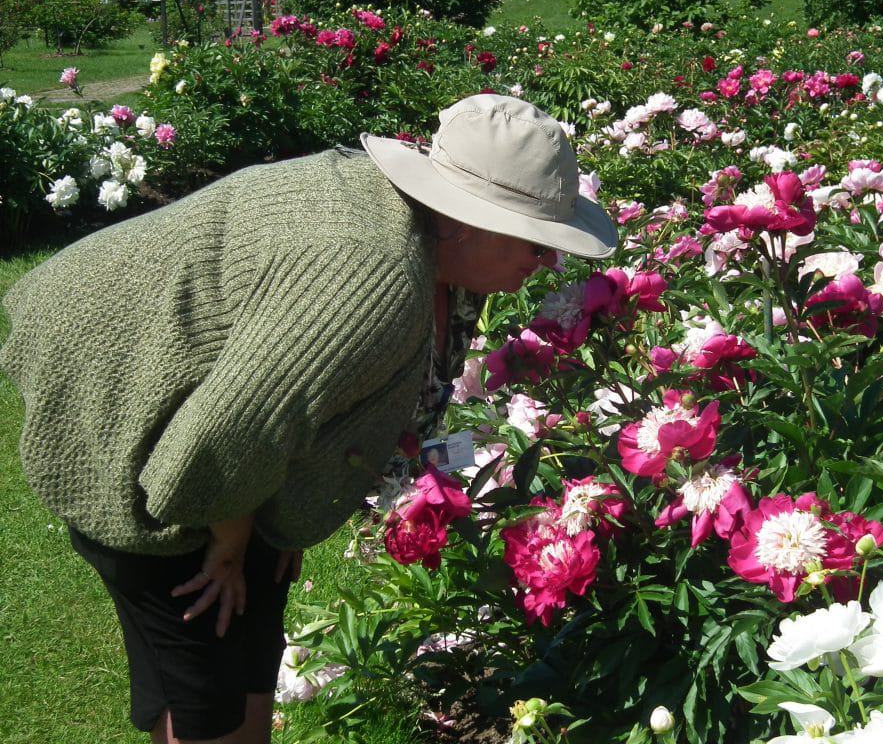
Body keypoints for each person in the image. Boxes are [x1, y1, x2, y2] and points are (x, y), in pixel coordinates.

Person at [0, 93, 617, 744]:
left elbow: (319, 407)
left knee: (248, 653)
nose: (549, 260)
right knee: (204, 672)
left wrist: (289, 516)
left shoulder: (440, 255)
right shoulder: (374, 276)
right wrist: (231, 545)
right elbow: (219, 445)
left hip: (214, 430)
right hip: (125, 395)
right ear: (466, 217)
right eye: (535, 238)